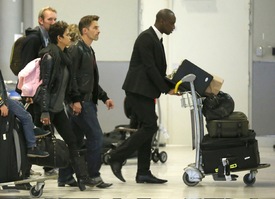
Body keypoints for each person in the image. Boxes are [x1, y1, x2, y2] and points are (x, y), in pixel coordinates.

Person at [109, 9, 177, 184]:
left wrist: (172, 85)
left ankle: (143, 172)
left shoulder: (156, 39)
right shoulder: (146, 38)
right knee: (149, 126)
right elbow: (149, 68)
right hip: (138, 90)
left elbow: (157, 69)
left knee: (147, 128)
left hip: (145, 91)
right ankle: (116, 156)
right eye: (171, 23)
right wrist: (165, 88)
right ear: (161, 21)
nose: (173, 27)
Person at [33, 21, 101, 191]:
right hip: (46, 109)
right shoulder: (49, 57)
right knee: (36, 145)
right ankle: (24, 174)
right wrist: (44, 111)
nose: (70, 36)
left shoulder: (65, 57)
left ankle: (82, 178)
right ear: (59, 38)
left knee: (72, 141)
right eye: (67, 34)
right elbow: (45, 87)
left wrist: (74, 99)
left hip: (57, 109)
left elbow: (69, 86)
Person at [68, 15, 114, 188]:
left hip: (86, 101)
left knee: (74, 140)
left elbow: (91, 80)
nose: (99, 30)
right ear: (85, 30)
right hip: (82, 103)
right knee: (96, 138)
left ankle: (65, 177)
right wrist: (75, 100)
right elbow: (70, 78)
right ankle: (93, 176)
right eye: (95, 27)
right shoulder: (77, 50)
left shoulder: (88, 50)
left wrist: (104, 97)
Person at [19, 6, 58, 177]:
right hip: (32, 94)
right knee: (32, 129)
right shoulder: (34, 40)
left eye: (55, 19)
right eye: (50, 19)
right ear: (40, 20)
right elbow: (25, 68)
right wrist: (27, 94)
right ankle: (27, 168)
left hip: (41, 93)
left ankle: (47, 164)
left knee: (43, 128)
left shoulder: (48, 39)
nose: (53, 22)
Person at [0, 71, 50, 158]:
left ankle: (32, 129)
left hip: (5, 98)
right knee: (26, 117)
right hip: (3, 101)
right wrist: (1, 103)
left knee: (20, 107)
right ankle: (32, 147)